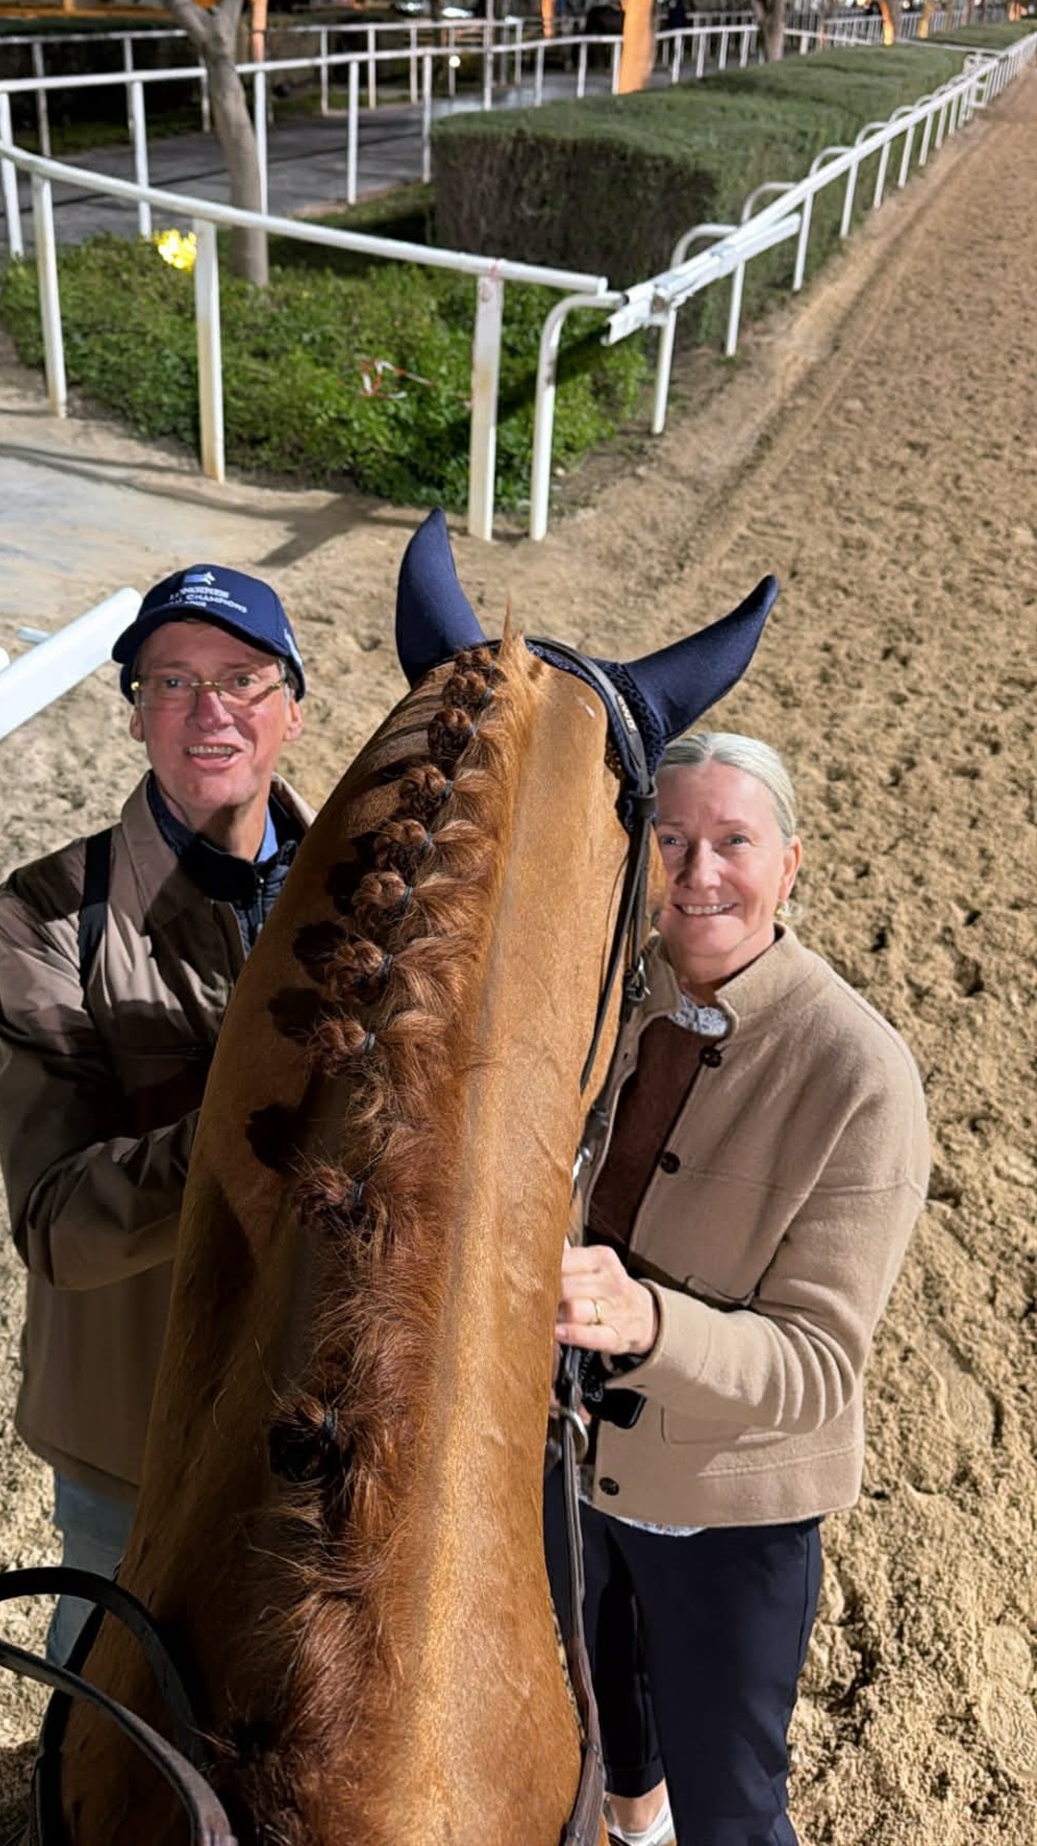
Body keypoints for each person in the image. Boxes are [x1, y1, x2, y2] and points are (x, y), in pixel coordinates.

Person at [548, 733, 929, 1846]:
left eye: (733, 842)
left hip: (728, 1513)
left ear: (791, 862)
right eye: (670, 839)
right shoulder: (601, 1000)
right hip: (565, 1463)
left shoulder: (861, 1073)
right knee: (610, 1736)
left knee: (733, 1807)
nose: (697, 871)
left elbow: (818, 1367)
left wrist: (647, 1322)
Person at [0, 564, 311, 1665]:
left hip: (317, 1413)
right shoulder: (50, 915)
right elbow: (56, 1223)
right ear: (136, 715)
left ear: (291, 710)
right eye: (173, 681)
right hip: (133, 1432)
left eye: (242, 678)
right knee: (107, 1701)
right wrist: (262, 1120)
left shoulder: (376, 900)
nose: (210, 709)